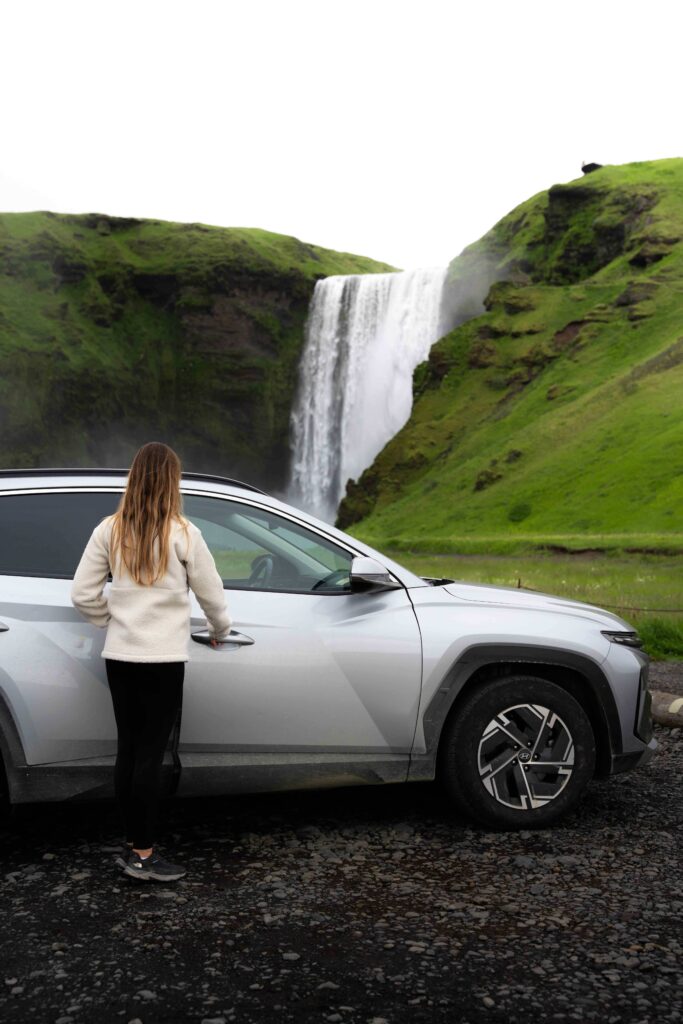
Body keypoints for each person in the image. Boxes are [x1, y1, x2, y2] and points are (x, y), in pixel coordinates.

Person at [71, 441, 233, 882]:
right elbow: (212, 596)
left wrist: (113, 621)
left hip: (120, 657)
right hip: (162, 661)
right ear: (172, 482)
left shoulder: (109, 529)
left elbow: (82, 595)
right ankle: (143, 855)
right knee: (150, 756)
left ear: (134, 478)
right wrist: (220, 632)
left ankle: (132, 840)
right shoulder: (184, 533)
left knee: (129, 750)